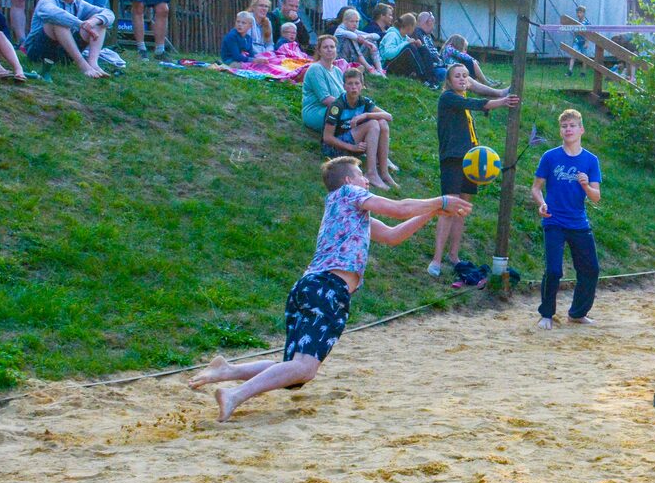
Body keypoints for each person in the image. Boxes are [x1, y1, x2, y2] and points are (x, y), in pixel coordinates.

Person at [187, 157, 473, 421]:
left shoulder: (349, 214)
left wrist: (435, 210)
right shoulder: (349, 195)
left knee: (294, 370)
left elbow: (393, 235)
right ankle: (233, 395)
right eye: (362, 176)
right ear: (348, 182)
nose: (367, 181)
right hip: (327, 289)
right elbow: (399, 208)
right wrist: (443, 198)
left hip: (310, 287)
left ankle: (226, 371)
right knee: (303, 368)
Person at [429, 62, 519, 276]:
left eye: (465, 76)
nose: (462, 79)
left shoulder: (462, 102)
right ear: (449, 81)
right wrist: (503, 101)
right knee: (448, 207)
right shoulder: (448, 98)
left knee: (462, 208)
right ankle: (436, 259)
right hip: (453, 159)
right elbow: (478, 103)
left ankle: (454, 255)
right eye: (458, 76)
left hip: (472, 161)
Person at [532, 109, 603, 328]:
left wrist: (585, 185)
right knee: (554, 270)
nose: (568, 129)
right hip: (554, 220)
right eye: (564, 126)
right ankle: (546, 314)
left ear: (581, 129)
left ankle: (577, 313)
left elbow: (596, 197)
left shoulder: (590, 160)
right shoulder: (550, 157)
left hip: (578, 221)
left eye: (572, 126)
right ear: (560, 130)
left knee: (590, 269)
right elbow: (535, 188)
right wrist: (542, 203)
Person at [23, 0, 114, 78]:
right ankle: (84, 66)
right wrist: (80, 23)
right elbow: (51, 12)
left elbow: (109, 13)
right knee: (58, 22)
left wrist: (93, 21)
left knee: (100, 21)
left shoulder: (79, 3)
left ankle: (93, 64)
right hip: (39, 51)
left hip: (64, 52)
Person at [323, 66, 397, 189]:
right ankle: (371, 173)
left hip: (354, 141)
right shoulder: (337, 105)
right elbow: (327, 138)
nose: (353, 87)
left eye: (357, 83)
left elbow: (389, 116)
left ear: (362, 85)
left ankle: (384, 172)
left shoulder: (363, 102)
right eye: (350, 84)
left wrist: (366, 115)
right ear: (344, 86)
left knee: (382, 122)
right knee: (373, 124)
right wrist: (352, 147)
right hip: (335, 149)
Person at [301, 35, 346, 132]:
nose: (329, 49)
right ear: (319, 51)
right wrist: (351, 107)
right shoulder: (316, 69)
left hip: (337, 108)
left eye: (332, 47)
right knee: (361, 120)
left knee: (377, 124)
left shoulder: (337, 71)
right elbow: (325, 99)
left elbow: (344, 95)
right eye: (325, 47)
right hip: (317, 112)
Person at [335, 6, 385, 75]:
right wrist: (365, 42)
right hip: (340, 59)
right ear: (345, 21)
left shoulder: (354, 30)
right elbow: (353, 36)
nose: (355, 24)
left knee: (372, 40)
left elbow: (377, 36)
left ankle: (380, 70)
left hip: (352, 57)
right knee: (350, 39)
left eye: (357, 21)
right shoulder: (339, 30)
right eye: (352, 21)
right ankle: (370, 69)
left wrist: (366, 37)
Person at [566, 4, 590, 76]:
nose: (578, 14)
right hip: (577, 41)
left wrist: (587, 42)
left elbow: (589, 33)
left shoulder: (587, 23)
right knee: (573, 55)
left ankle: (583, 72)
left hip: (583, 41)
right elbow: (575, 32)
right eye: (577, 12)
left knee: (584, 57)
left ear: (583, 13)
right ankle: (570, 71)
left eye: (580, 12)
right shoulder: (576, 22)